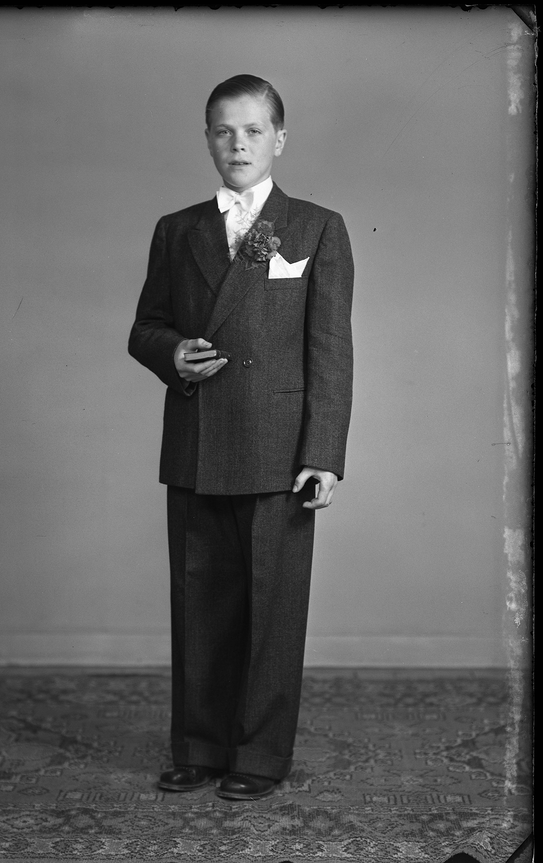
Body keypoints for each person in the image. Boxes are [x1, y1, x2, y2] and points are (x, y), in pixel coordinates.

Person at [127, 74, 353, 801]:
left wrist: (323, 454)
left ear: (279, 138)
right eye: (224, 130)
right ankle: (197, 747)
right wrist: (173, 352)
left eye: (254, 130)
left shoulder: (317, 227)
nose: (239, 144)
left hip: (277, 448)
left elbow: (330, 351)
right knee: (199, 604)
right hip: (197, 440)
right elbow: (145, 327)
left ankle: (259, 755)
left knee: (272, 611)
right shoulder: (177, 229)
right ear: (207, 139)